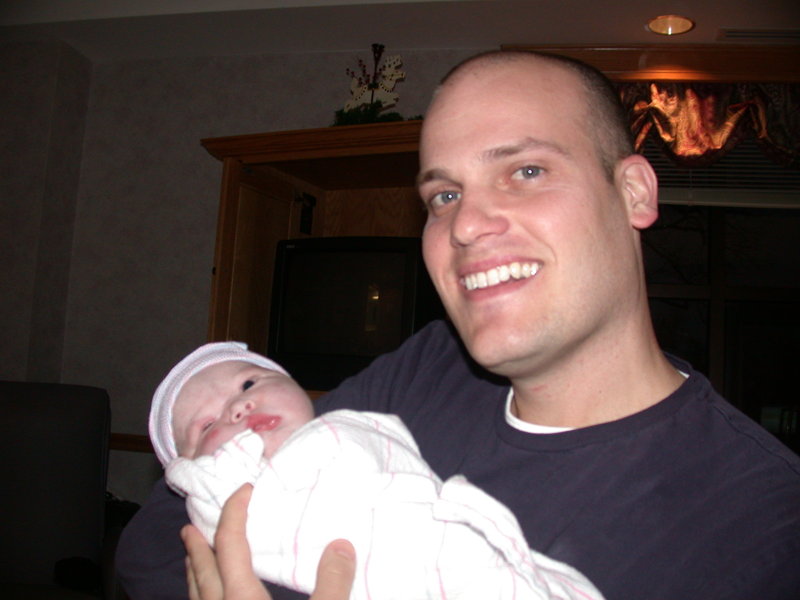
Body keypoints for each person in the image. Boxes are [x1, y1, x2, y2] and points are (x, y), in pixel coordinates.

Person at [117, 50, 800, 600]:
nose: (465, 225)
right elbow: (156, 541)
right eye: (444, 195)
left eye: (525, 170)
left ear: (634, 193)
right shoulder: (427, 369)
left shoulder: (765, 519)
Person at [149, 341, 604, 600]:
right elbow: (152, 543)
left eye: (248, 383)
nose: (238, 407)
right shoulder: (217, 488)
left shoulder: (353, 424)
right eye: (206, 425)